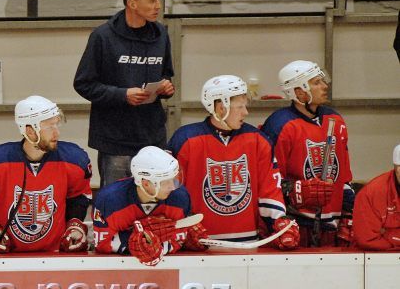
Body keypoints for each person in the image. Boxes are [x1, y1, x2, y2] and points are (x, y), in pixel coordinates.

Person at [168, 75, 299, 249]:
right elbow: (170, 192)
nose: (246, 112)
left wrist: (280, 222)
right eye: (240, 106)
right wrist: (183, 225)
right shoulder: (184, 140)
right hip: (198, 246)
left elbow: (269, 190)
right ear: (221, 108)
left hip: (248, 243)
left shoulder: (258, 140)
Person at [74, 0, 176, 188]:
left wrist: (166, 86)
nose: (159, 5)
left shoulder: (161, 34)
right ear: (132, 4)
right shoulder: (103, 36)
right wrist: (122, 95)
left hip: (152, 137)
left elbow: (167, 73)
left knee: (154, 199)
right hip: (115, 140)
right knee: (115, 200)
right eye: (152, 0)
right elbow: (83, 83)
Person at [0, 95, 92, 253]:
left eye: (57, 124)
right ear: (29, 130)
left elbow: (80, 195)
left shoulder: (75, 160)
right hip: (4, 258)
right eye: (49, 127)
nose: (57, 133)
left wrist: (75, 223)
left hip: (56, 256)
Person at [261, 61, 354, 247]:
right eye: (316, 82)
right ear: (299, 91)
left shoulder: (334, 119)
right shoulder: (280, 125)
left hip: (333, 227)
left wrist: (349, 215)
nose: (324, 86)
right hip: (296, 227)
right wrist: (296, 190)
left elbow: (343, 176)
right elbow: (269, 182)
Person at [93, 146, 207, 266]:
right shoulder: (110, 201)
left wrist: (186, 239)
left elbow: (178, 239)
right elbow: (102, 245)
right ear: (145, 183)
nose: (172, 187)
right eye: (165, 182)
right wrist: (135, 240)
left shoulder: (180, 197)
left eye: (174, 179)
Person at [352, 143, 400, 251]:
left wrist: (387, 234)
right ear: (397, 168)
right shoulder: (371, 193)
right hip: (373, 259)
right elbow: (366, 239)